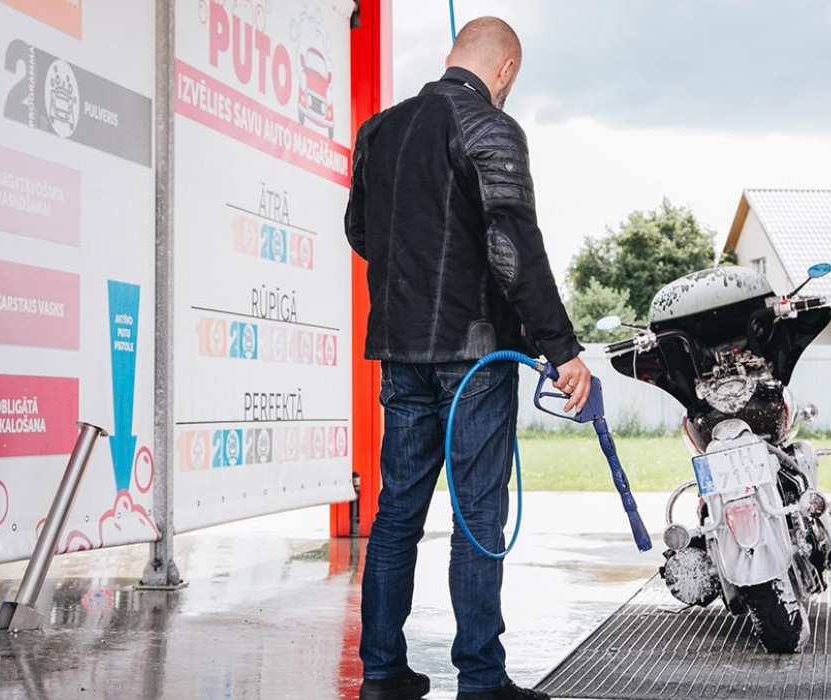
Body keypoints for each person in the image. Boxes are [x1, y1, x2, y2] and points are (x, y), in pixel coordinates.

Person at [345, 16, 591, 700]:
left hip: (400, 352)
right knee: (477, 515)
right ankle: (481, 679)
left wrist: (419, 278)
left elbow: (361, 232)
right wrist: (562, 350)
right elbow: (513, 251)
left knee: (396, 513)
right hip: (474, 355)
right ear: (505, 70)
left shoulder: (380, 131)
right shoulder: (490, 127)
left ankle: (382, 674)